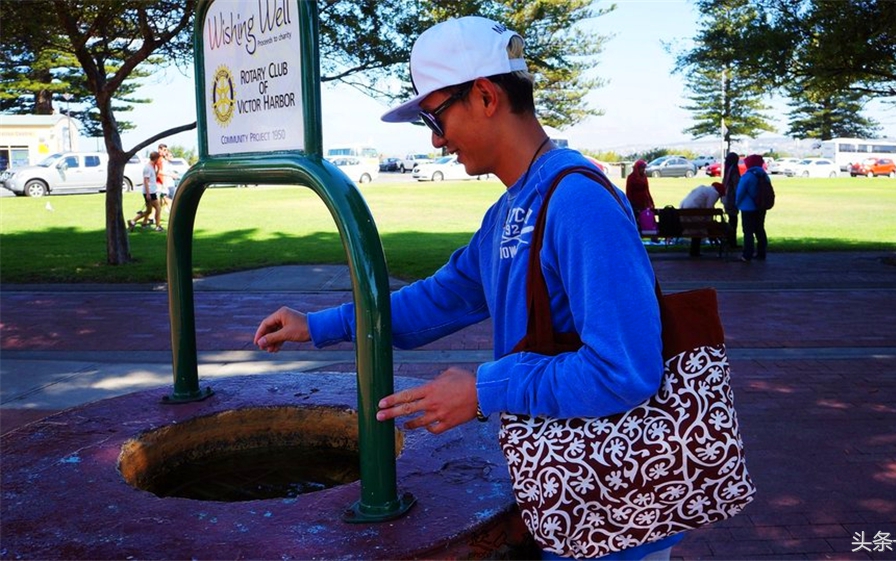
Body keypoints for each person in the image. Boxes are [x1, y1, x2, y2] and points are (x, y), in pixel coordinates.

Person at [253, 16, 683, 560]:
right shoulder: (508, 211)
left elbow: (625, 369)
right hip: (565, 501)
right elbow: (435, 301)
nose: (436, 140)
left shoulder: (578, 201)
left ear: (484, 95)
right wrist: (318, 325)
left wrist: (484, 388)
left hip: (615, 519)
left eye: (435, 115)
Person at [735, 153, 769, 262]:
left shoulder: (747, 176)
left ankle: (747, 254)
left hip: (747, 207)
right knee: (760, 229)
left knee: (748, 232)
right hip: (761, 206)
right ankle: (761, 252)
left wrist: (737, 203)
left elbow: (740, 192)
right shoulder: (764, 175)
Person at [679, 182, 726, 257]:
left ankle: (694, 251)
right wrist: (710, 223)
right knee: (700, 228)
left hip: (684, 210)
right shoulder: (714, 193)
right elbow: (709, 210)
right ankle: (695, 252)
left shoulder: (704, 189)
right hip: (693, 211)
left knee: (698, 228)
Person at [127, 150, 160, 232]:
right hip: (150, 192)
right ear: (156, 158)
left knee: (149, 211)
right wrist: (148, 194)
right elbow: (146, 180)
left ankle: (133, 221)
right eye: (158, 159)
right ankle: (158, 226)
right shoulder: (147, 167)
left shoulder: (152, 166)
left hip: (151, 191)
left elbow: (153, 178)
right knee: (158, 208)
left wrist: (158, 169)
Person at [721, 151, 741, 248]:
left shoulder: (727, 170)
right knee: (733, 222)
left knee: (731, 220)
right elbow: (737, 186)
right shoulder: (734, 171)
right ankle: (732, 242)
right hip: (732, 200)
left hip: (726, 199)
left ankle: (730, 241)